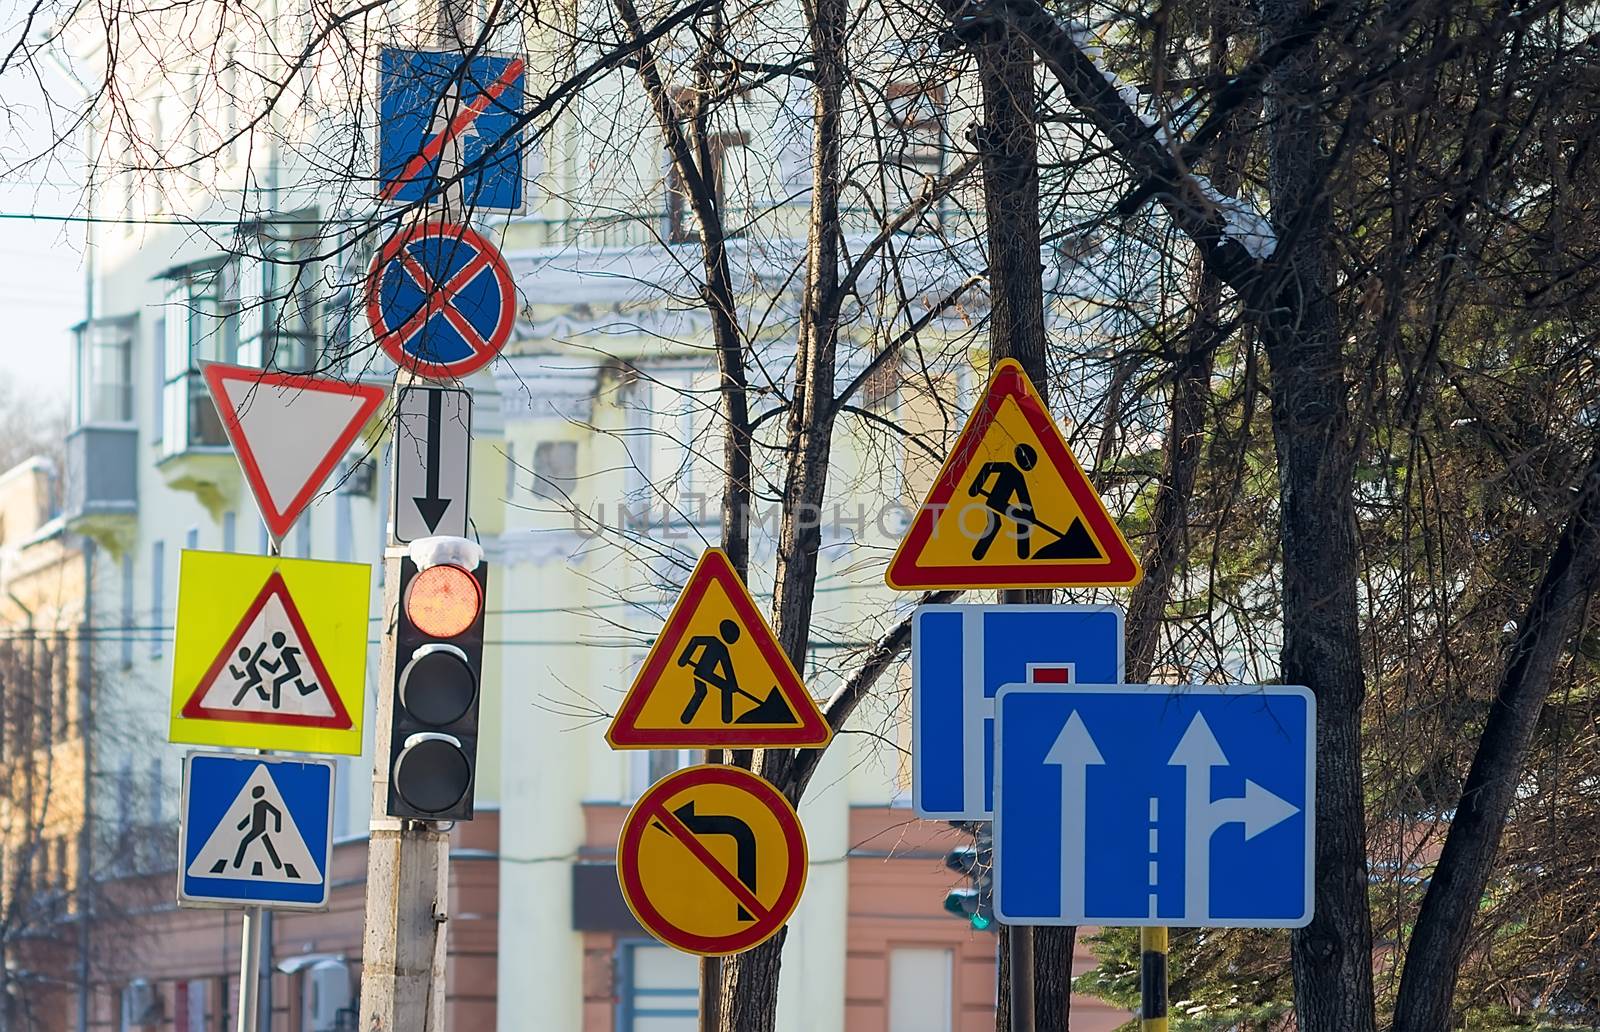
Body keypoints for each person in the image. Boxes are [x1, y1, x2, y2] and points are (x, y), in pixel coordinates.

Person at [967, 443, 1039, 561]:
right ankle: (1022, 553)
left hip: (998, 504)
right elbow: (988, 467)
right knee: (1000, 523)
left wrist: (1031, 515)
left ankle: (978, 555)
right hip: (996, 502)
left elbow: (1024, 498)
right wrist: (975, 487)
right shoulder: (1009, 467)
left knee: (996, 524)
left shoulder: (1018, 475)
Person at [677, 620, 745, 724]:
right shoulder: (715, 642)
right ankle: (726, 719)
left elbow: (727, 668)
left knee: (702, 692)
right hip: (703, 673)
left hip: (702, 673)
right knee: (724, 688)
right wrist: (683, 659)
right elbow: (695, 640)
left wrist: (733, 684)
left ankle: (685, 719)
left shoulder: (722, 648)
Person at [231, 785, 285, 874]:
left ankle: (236, 864)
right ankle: (278, 865)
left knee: (244, 842)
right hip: (258, 829)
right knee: (268, 846)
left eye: (255, 792)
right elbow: (250, 817)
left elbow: (277, 813)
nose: (253, 794)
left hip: (259, 829)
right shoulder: (255, 805)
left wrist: (277, 828)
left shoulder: (263, 803)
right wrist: (241, 826)